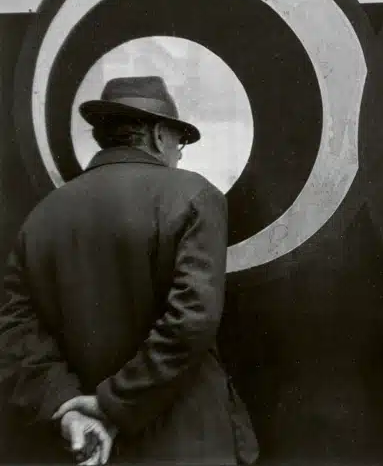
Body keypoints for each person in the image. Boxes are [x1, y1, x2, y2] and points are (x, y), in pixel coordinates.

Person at [0, 76, 259, 465]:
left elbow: (15, 328)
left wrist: (68, 404)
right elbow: (191, 320)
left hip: (86, 448)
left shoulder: (42, 215)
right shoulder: (193, 196)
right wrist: (114, 402)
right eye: (179, 142)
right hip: (187, 445)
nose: (180, 155)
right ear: (158, 135)